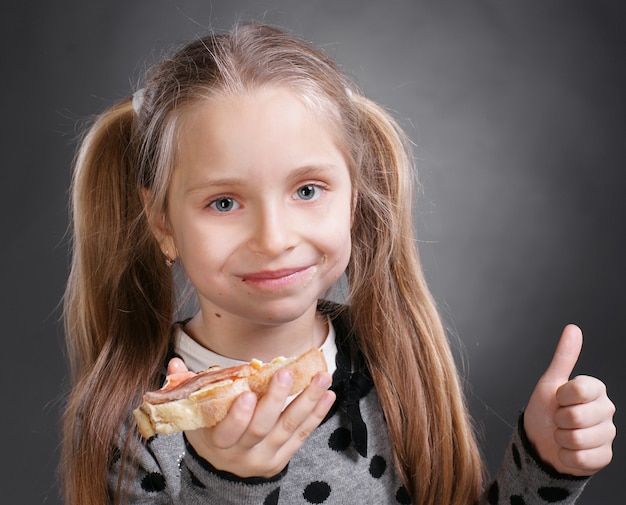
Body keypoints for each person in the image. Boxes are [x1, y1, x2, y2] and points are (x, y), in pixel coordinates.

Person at [61, 23, 615, 505]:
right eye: (224, 202)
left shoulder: (390, 360)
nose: (275, 238)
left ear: (354, 197)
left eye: (307, 190)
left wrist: (545, 466)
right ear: (163, 224)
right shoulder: (132, 417)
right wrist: (225, 482)